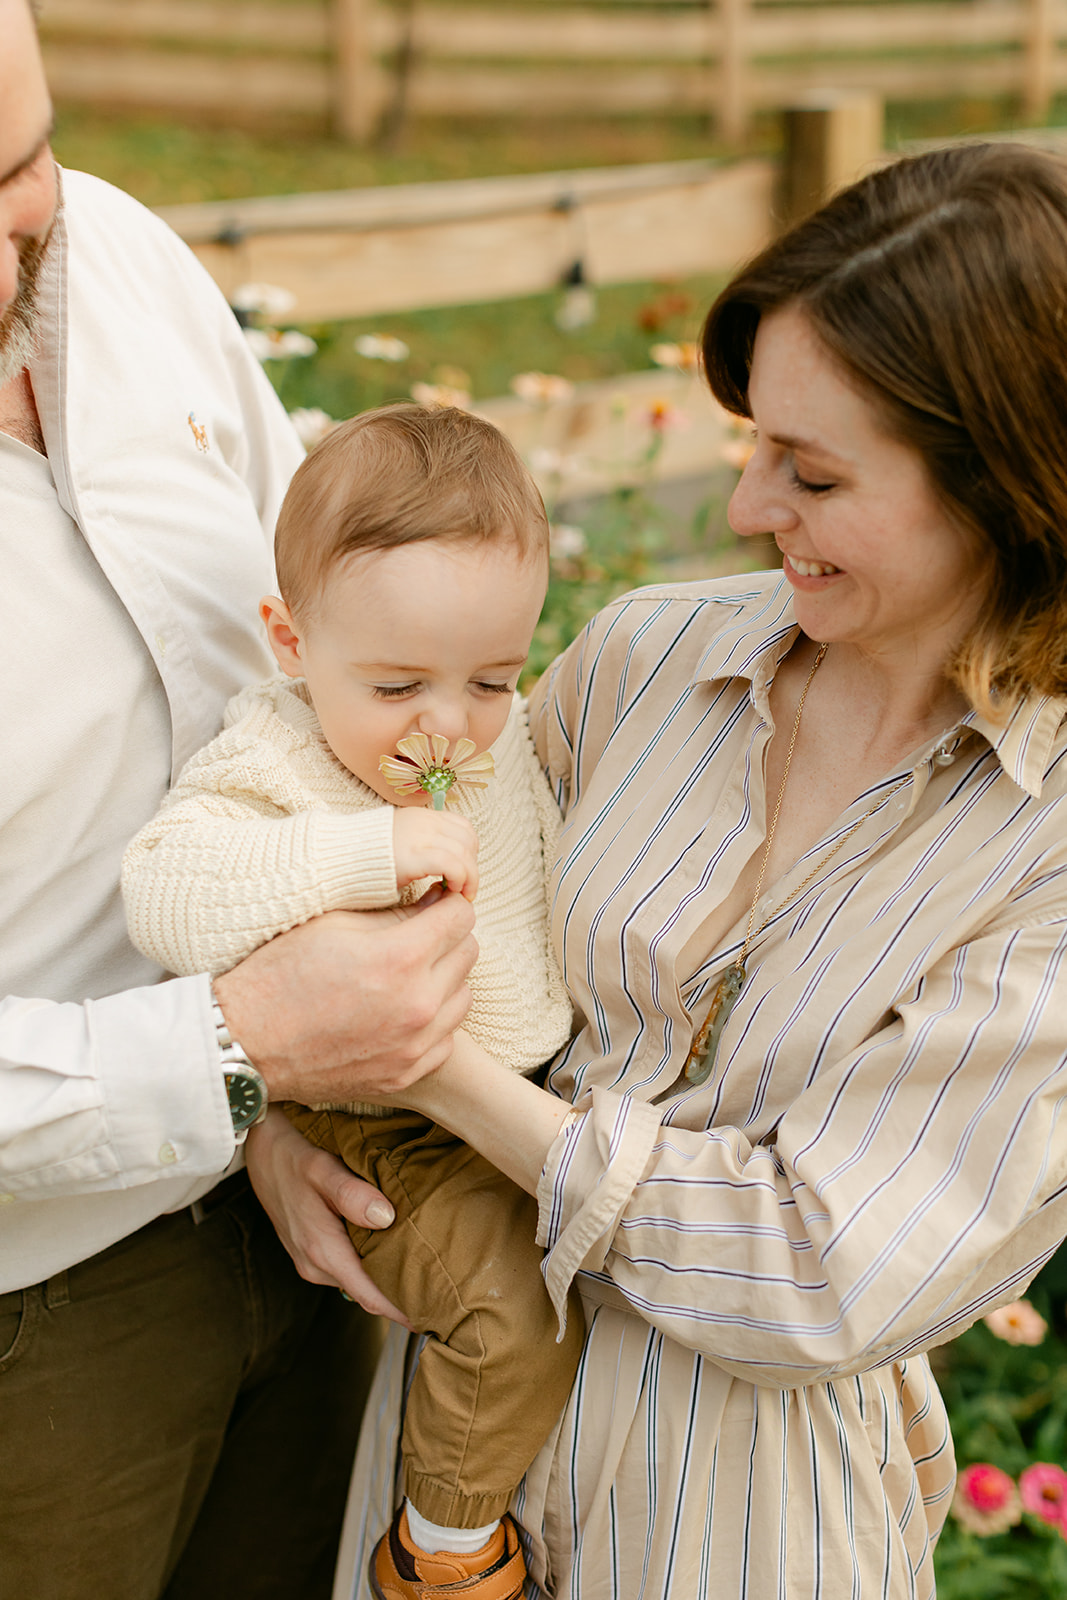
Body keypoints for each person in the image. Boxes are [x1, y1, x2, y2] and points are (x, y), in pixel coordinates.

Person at [327, 141, 1067, 1599]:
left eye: (808, 472)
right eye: (749, 442)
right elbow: (392, 900)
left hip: (744, 1526)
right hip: (439, 1462)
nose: (741, 506)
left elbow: (813, 1268)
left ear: (1000, 482)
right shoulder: (643, 659)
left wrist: (430, 1073)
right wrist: (291, 1137)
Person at [0, 6, 477, 1597]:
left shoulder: (113, 258)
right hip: (36, 1316)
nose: (16, 262)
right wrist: (234, 1045)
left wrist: (282, 1099)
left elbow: (308, 625)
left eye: (19, 159)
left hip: (291, 1205)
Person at [121, 403, 584, 1600]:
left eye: (491, 675)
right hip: (380, 1119)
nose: (445, 723)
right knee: (507, 1308)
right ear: (290, 639)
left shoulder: (496, 740)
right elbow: (163, 896)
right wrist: (361, 855)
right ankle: (437, 1549)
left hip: (507, 1093)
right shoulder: (274, 759)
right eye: (394, 683)